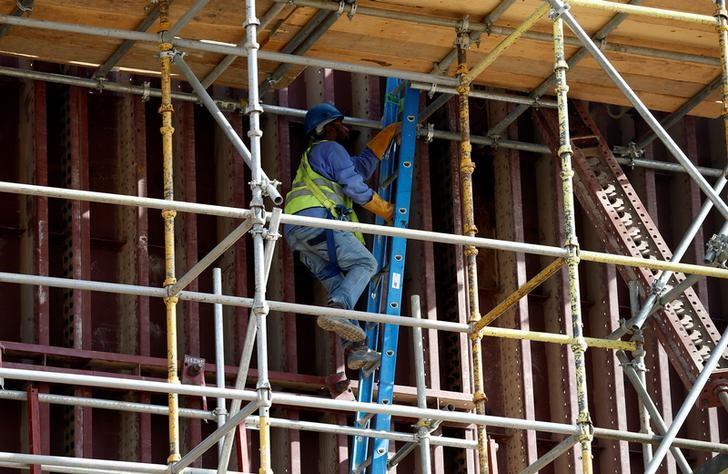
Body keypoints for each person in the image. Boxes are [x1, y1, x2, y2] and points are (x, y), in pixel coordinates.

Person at [284, 103, 399, 372]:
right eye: (341, 123)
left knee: (340, 288)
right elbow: (354, 185)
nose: (346, 128)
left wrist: (384, 139)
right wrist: (384, 209)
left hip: (298, 234)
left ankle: (356, 350)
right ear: (330, 127)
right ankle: (339, 311)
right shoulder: (330, 148)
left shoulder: (320, 155)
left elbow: (356, 169)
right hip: (317, 225)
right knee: (365, 265)